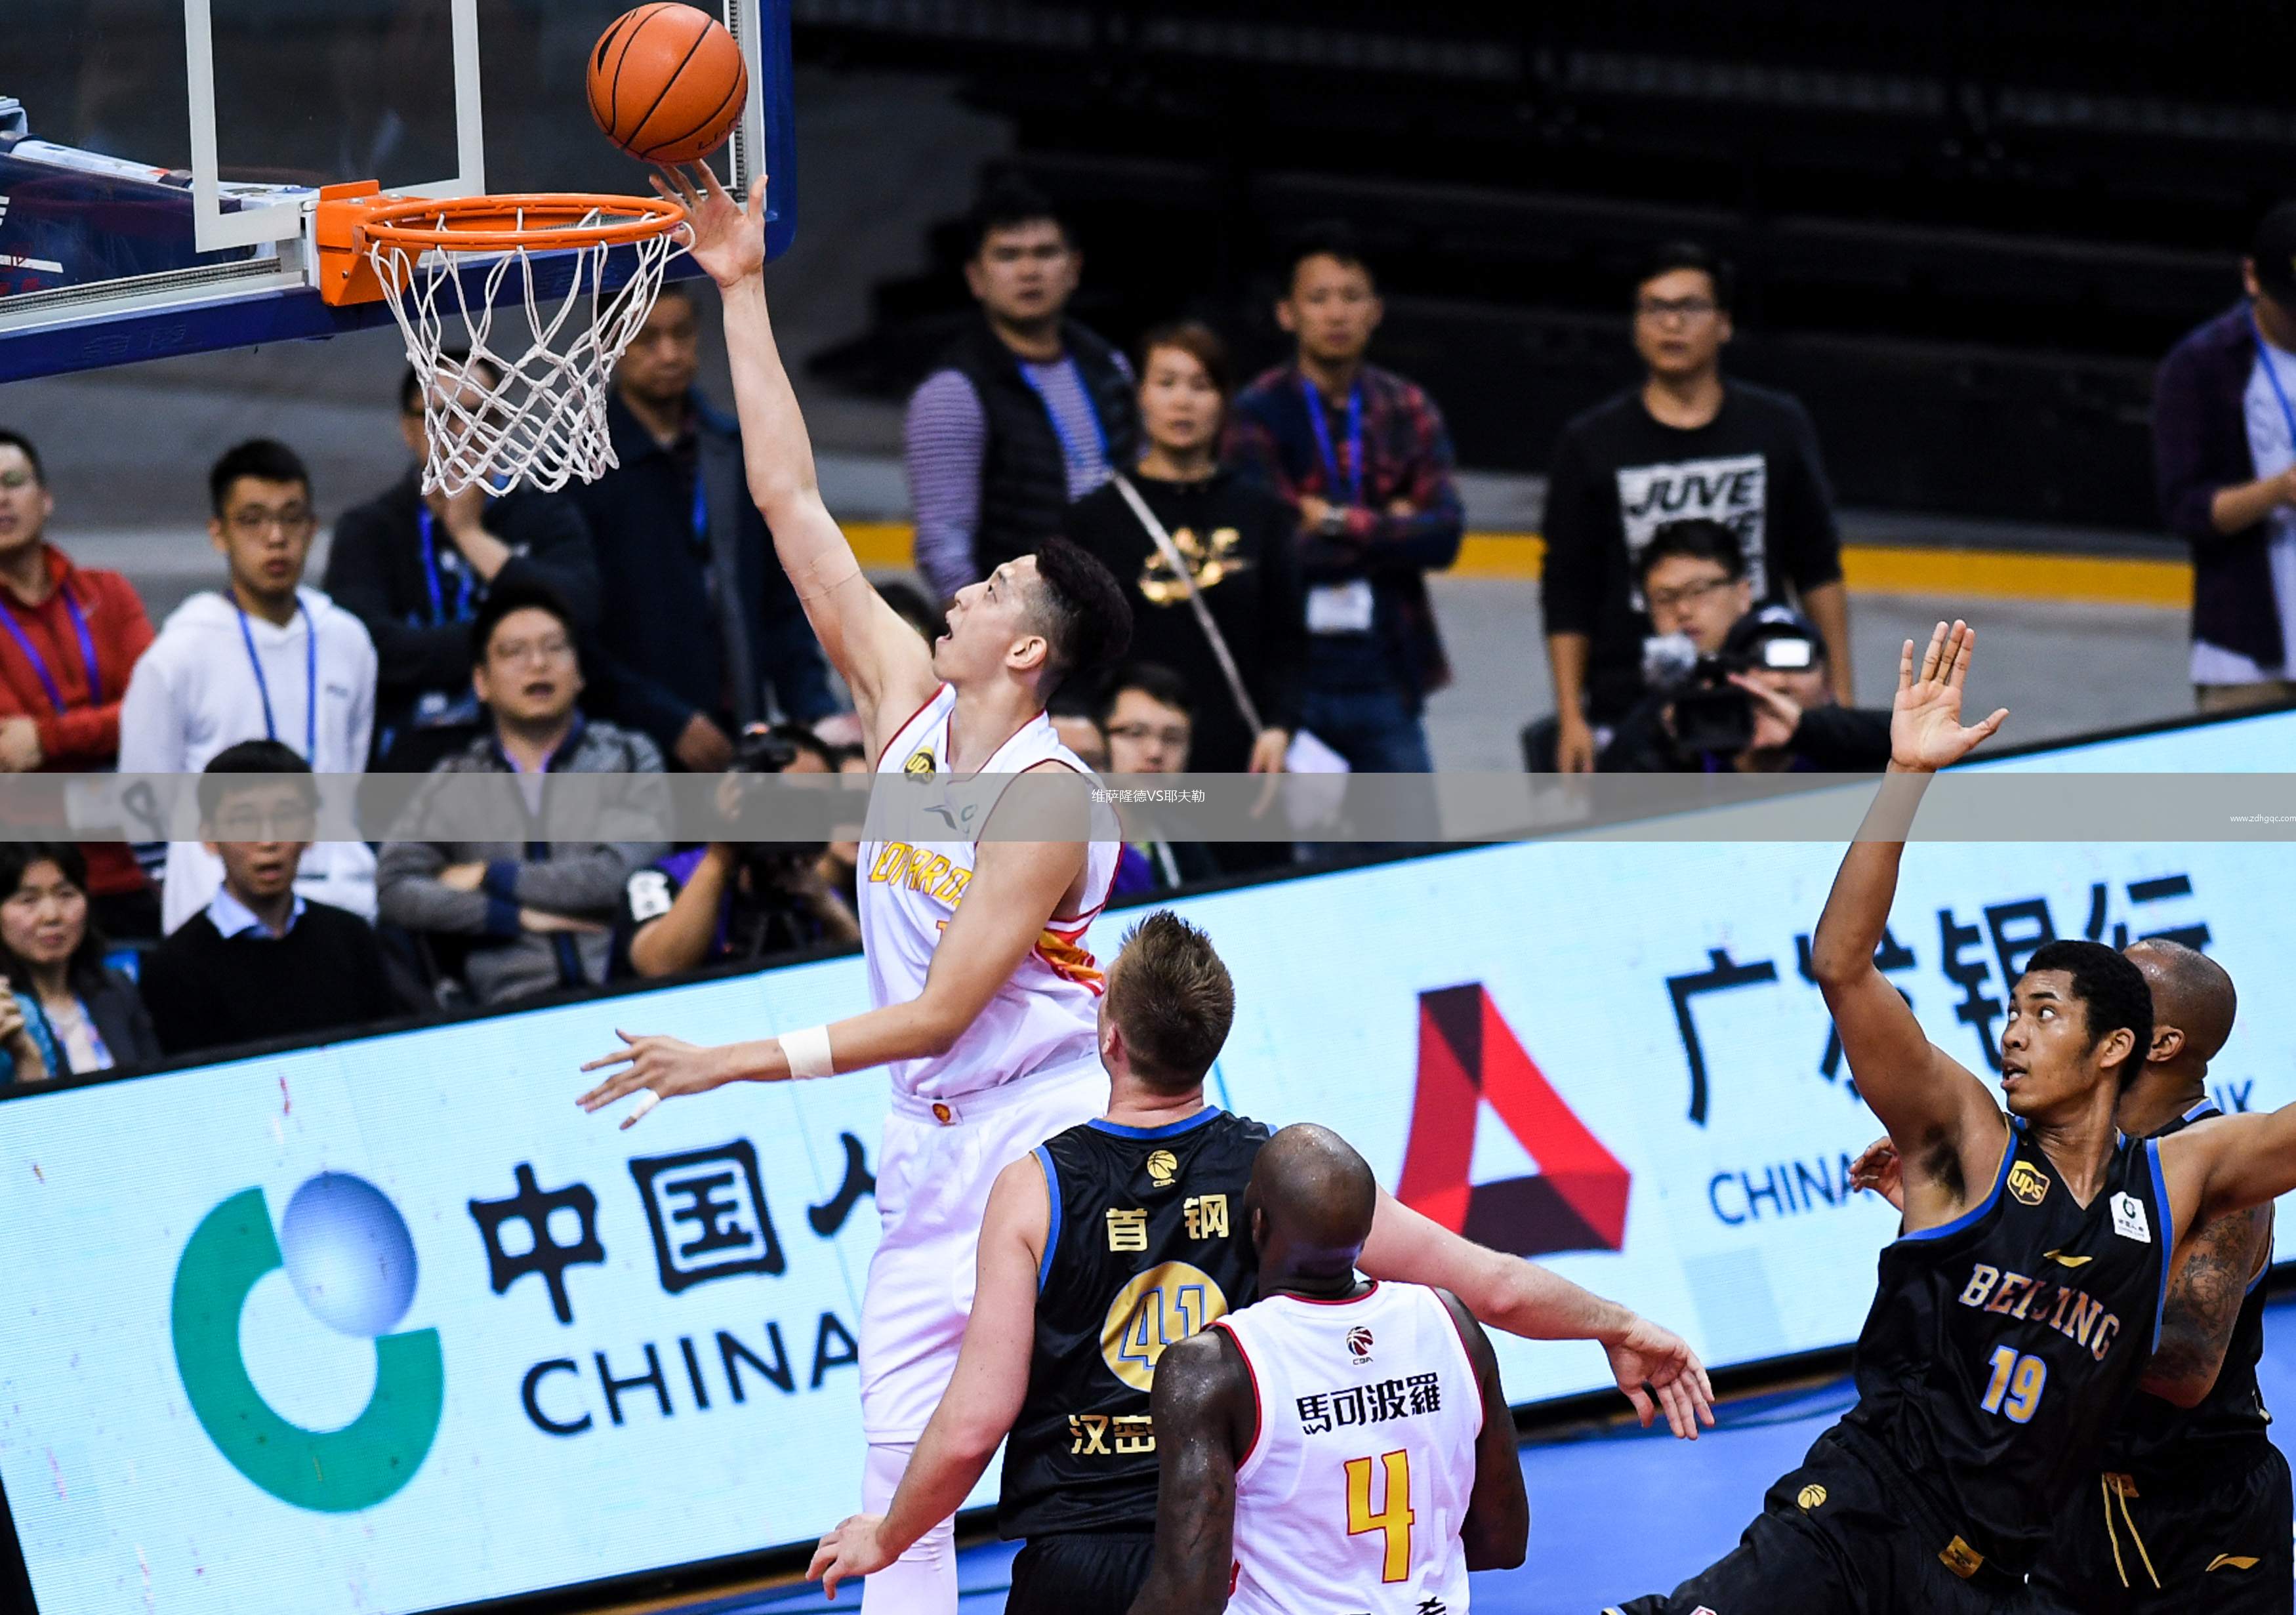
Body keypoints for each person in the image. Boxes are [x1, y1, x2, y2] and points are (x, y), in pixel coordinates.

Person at [578, 163, 1134, 1615]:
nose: (957, 590)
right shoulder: (903, 701)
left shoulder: (1051, 800)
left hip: (1047, 1130)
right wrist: (740, 289)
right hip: (926, 1145)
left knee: (1114, 1453)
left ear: (1029, 651)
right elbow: (788, 499)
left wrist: (731, 1060)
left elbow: (945, 1010)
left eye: (990, 587)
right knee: (897, 1492)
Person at [1607, 620, 2296, 1614]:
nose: (2011, 1032)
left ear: (2122, 1045)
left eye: (2044, 1013)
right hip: (1860, 1518)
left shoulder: (2177, 1173)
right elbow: (1841, 964)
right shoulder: (1967, 1138)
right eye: (2011, 1010)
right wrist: (1904, 776)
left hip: (1998, 1570)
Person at [806, 913, 1710, 1614]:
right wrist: (1620, 1324)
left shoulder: (1033, 1187)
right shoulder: (1278, 1172)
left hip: (1079, 1558)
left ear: (1108, 1036)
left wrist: (891, 1532)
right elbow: (1494, 1283)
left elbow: (974, 1420)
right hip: (1227, 1555)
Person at [1849, 940, 2285, 1614]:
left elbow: (2185, 1366)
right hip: (2064, 1502)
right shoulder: (2051, 1155)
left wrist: (2026, 1291)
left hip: (2198, 1514)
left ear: (2156, 1042)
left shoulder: (2220, 1172)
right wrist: (1956, 1231)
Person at [1130, 1125, 1529, 1615]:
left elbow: (1188, 1596)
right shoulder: (1449, 1321)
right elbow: (1503, 1540)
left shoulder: (1213, 1366)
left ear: (1257, 1223)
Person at [1542, 242, 1851, 772]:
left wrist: (1838, 695)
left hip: (1763, 696)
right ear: (1636, 325)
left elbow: (1818, 567)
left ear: (1724, 323)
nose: (1672, 324)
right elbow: (1567, 589)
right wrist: (1571, 716)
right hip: (1632, 704)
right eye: (1655, 308)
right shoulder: (1591, 442)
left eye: (1689, 307)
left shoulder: (1776, 426)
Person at [116, 440, 379, 933]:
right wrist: (193, 890)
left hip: (341, 902)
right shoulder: (178, 655)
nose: (275, 538)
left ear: (313, 528)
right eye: (252, 520)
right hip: (220, 914)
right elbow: (143, 805)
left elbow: (351, 776)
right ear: (219, 533)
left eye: (291, 518)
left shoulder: (348, 639)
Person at [1228, 228, 1464, 773]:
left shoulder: (1407, 405)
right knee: (1287, 829)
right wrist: (1390, 527)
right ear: (1287, 313)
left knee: (1412, 829)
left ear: (1375, 311)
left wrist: (1333, 520)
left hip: (1386, 666)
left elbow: (1444, 535)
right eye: (1319, 298)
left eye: (1352, 297)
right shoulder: (1256, 411)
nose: (1336, 313)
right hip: (1286, 675)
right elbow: (1270, 549)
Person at [574, 281, 837, 769]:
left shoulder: (733, 450)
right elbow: (576, 632)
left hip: (741, 729)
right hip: (628, 745)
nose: (670, 353)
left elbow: (780, 600)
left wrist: (814, 714)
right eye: (647, 339)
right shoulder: (579, 472)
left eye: (682, 334)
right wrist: (667, 722)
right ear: (608, 344)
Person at [376, 582, 667, 1006]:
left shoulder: (629, 755)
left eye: (554, 648)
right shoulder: (455, 779)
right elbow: (394, 888)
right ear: (481, 682)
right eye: (514, 652)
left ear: (580, 672)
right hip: (506, 1009)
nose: (538, 664)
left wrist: (489, 877)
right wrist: (510, 917)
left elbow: (627, 875)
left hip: (629, 991)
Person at [322, 357, 601, 769]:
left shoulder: (547, 514)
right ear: (408, 428)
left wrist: (470, 535)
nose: (461, 431)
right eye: (442, 415)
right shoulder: (369, 529)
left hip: (536, 761)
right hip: (406, 767)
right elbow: (370, 649)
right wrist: (509, 648)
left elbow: (581, 617)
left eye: (480, 413)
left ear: (504, 424)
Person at [1064, 321, 1304, 777]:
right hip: (1132, 760)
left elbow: (1287, 641)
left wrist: (1280, 726)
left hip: (1239, 756)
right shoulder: (1093, 519)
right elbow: (1074, 647)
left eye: (1201, 385)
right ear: (1140, 395)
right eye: (1166, 383)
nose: (1183, 401)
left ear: (1224, 400)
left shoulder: (1262, 513)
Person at [906, 177, 1139, 604]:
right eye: (1008, 255)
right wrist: (995, 626)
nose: (1029, 271)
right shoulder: (952, 393)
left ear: (1074, 268)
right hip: (1025, 621)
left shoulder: (1110, 366)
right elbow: (944, 549)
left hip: (1121, 607)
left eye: (1045, 253)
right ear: (975, 277)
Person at [138, 743, 405, 1058]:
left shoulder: (351, 937)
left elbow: (384, 1056)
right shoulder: (174, 967)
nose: (268, 841)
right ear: (209, 837)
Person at [0, 430, 160, 937]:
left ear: (46, 498)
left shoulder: (108, 592)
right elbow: (8, 750)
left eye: (13, 481)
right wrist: (112, 725)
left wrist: (48, 739)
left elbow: (155, 711)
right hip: (29, 887)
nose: (1, 499)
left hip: (137, 867)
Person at [2154, 200, 2296, 714]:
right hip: (2245, 661)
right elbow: (2185, 509)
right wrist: (2278, 491)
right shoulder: (2202, 367)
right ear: (2252, 278)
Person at [1599, 527, 1889, 770]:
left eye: (1699, 591)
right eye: (1665, 598)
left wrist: (1804, 729)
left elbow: (1898, 736)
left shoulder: (1839, 737)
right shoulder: (1654, 719)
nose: (1684, 610)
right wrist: (1669, 746)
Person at [617, 722, 860, 979]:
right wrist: (721, 854)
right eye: (783, 799)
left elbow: (869, 980)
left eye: (813, 805)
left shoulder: (819, 895)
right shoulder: (660, 880)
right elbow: (661, 969)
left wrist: (829, 911)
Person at [0, 842, 159, 1078]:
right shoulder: (6, 1008)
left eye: (66, 895)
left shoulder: (116, 988)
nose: (52, 916)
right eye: (28, 900)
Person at [1099, 663, 1220, 895]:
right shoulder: (1070, 845)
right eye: (1135, 733)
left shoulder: (1186, 846)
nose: (1155, 752)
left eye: (1173, 738)